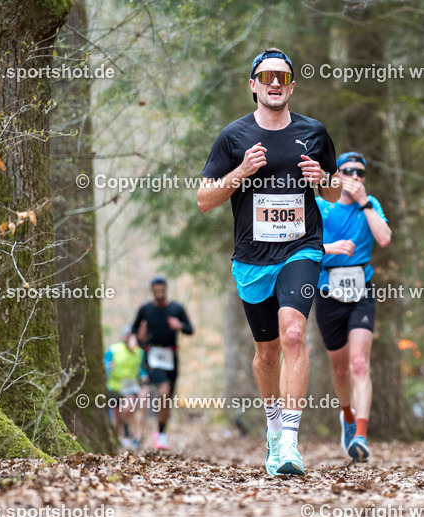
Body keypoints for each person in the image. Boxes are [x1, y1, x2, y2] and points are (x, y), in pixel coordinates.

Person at [197, 47, 340, 476]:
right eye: (267, 77)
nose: (274, 83)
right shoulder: (234, 136)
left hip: (302, 247)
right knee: (267, 351)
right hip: (252, 258)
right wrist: (240, 171)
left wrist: (324, 181)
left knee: (294, 333)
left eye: (282, 77)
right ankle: (274, 431)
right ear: (253, 85)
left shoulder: (314, 132)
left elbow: (332, 193)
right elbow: (205, 200)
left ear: (292, 86)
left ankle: (291, 444)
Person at [315, 152, 391, 461]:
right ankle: (347, 415)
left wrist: (366, 203)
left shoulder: (370, 204)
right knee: (341, 369)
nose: (355, 177)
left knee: (360, 364)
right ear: (337, 174)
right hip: (327, 291)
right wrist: (330, 248)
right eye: (348, 171)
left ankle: (361, 435)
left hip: (362, 291)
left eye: (361, 172)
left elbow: (384, 238)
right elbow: (300, 246)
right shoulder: (322, 205)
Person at [129, 277, 194, 450]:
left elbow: (190, 329)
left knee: (168, 398)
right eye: (156, 291)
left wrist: (179, 325)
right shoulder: (145, 309)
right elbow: (134, 330)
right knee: (163, 391)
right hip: (152, 356)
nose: (159, 294)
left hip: (171, 355)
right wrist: (135, 340)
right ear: (152, 290)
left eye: (162, 291)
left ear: (166, 289)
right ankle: (154, 434)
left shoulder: (176, 308)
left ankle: (161, 432)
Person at [104, 326, 143, 448]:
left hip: (130, 388)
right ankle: (117, 442)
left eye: (131, 335)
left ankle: (131, 435)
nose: (129, 337)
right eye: (127, 335)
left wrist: (144, 375)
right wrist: (107, 367)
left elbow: (142, 368)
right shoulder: (113, 350)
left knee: (127, 409)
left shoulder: (139, 352)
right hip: (114, 387)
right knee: (115, 420)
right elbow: (105, 363)